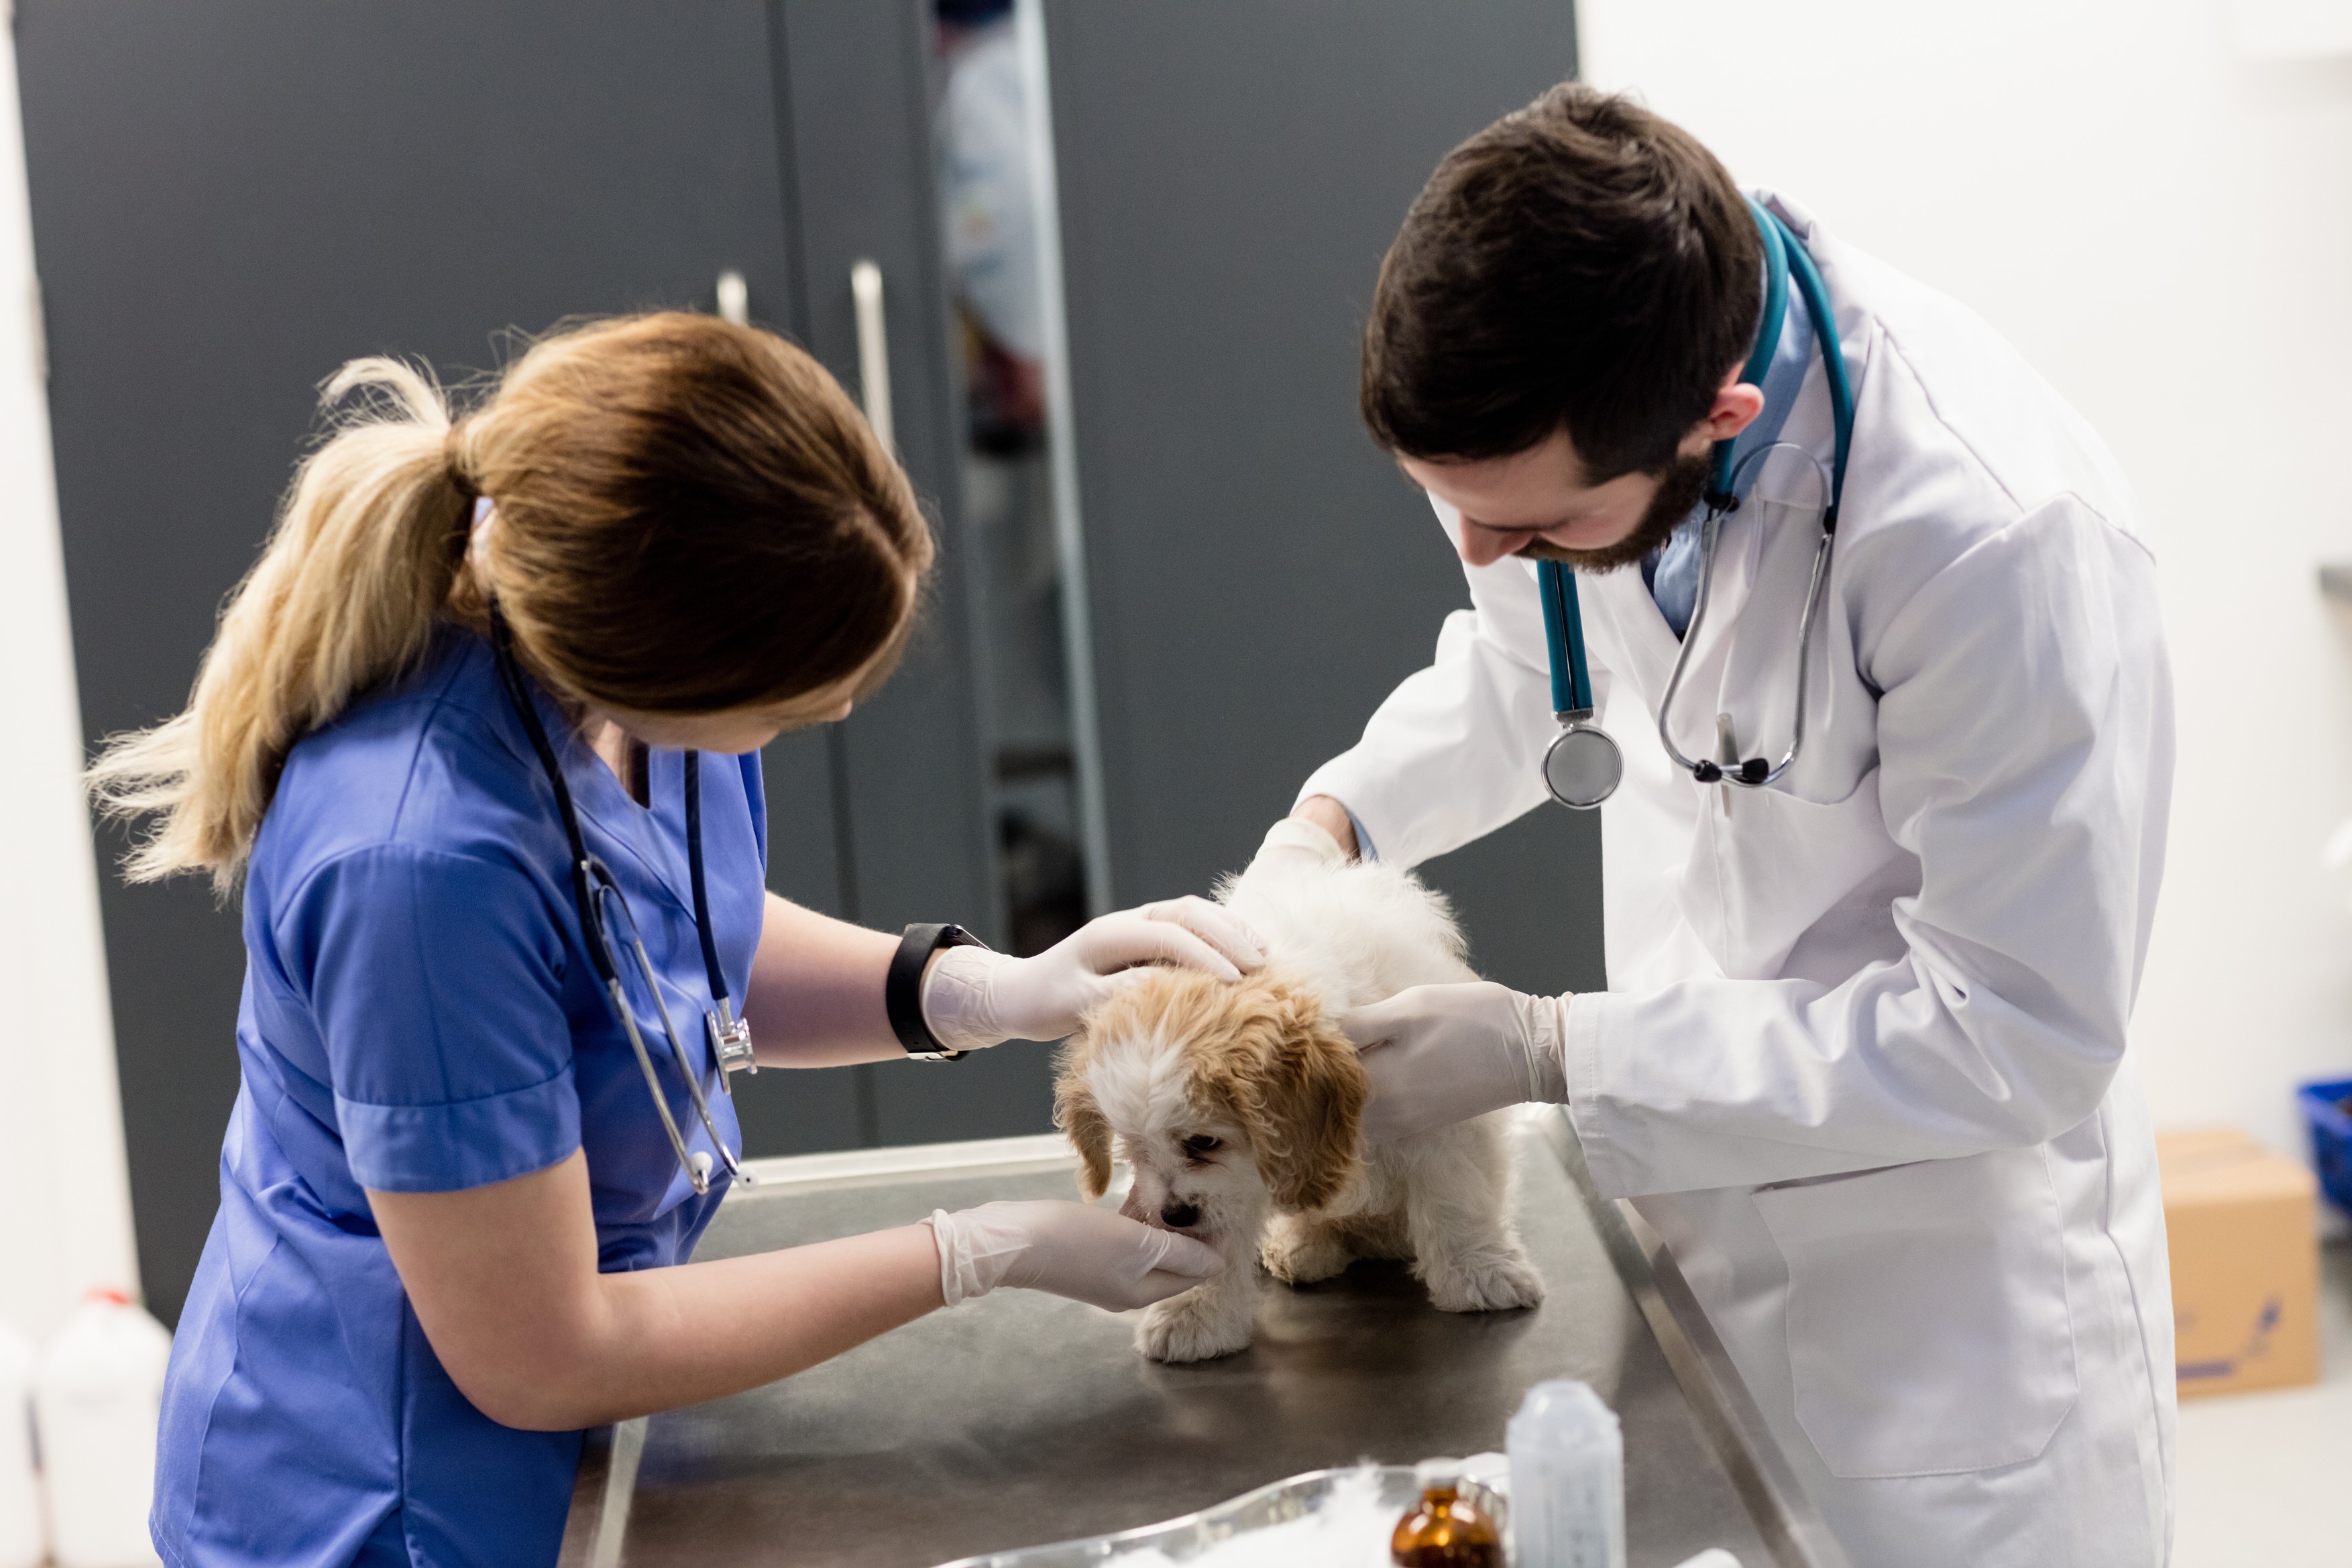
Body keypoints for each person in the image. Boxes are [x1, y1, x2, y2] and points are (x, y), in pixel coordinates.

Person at [90, 314, 1248, 1567]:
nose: (833, 710)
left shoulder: (633, 707)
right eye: (792, 701)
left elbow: (657, 941)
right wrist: (977, 1251)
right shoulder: (416, 867)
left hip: (599, 1405)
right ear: (664, 656)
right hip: (392, 1498)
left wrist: (974, 990)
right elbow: (543, 1356)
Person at [1253, 86, 2175, 1567]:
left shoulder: (1991, 539)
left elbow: (2015, 1032)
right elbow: (1535, 661)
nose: (1485, 546)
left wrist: (1552, 1049)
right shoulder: (1566, 413)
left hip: (1944, 1310)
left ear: (1717, 422)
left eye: (1533, 524)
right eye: (1452, 509)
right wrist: (1331, 827)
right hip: (1687, 1229)